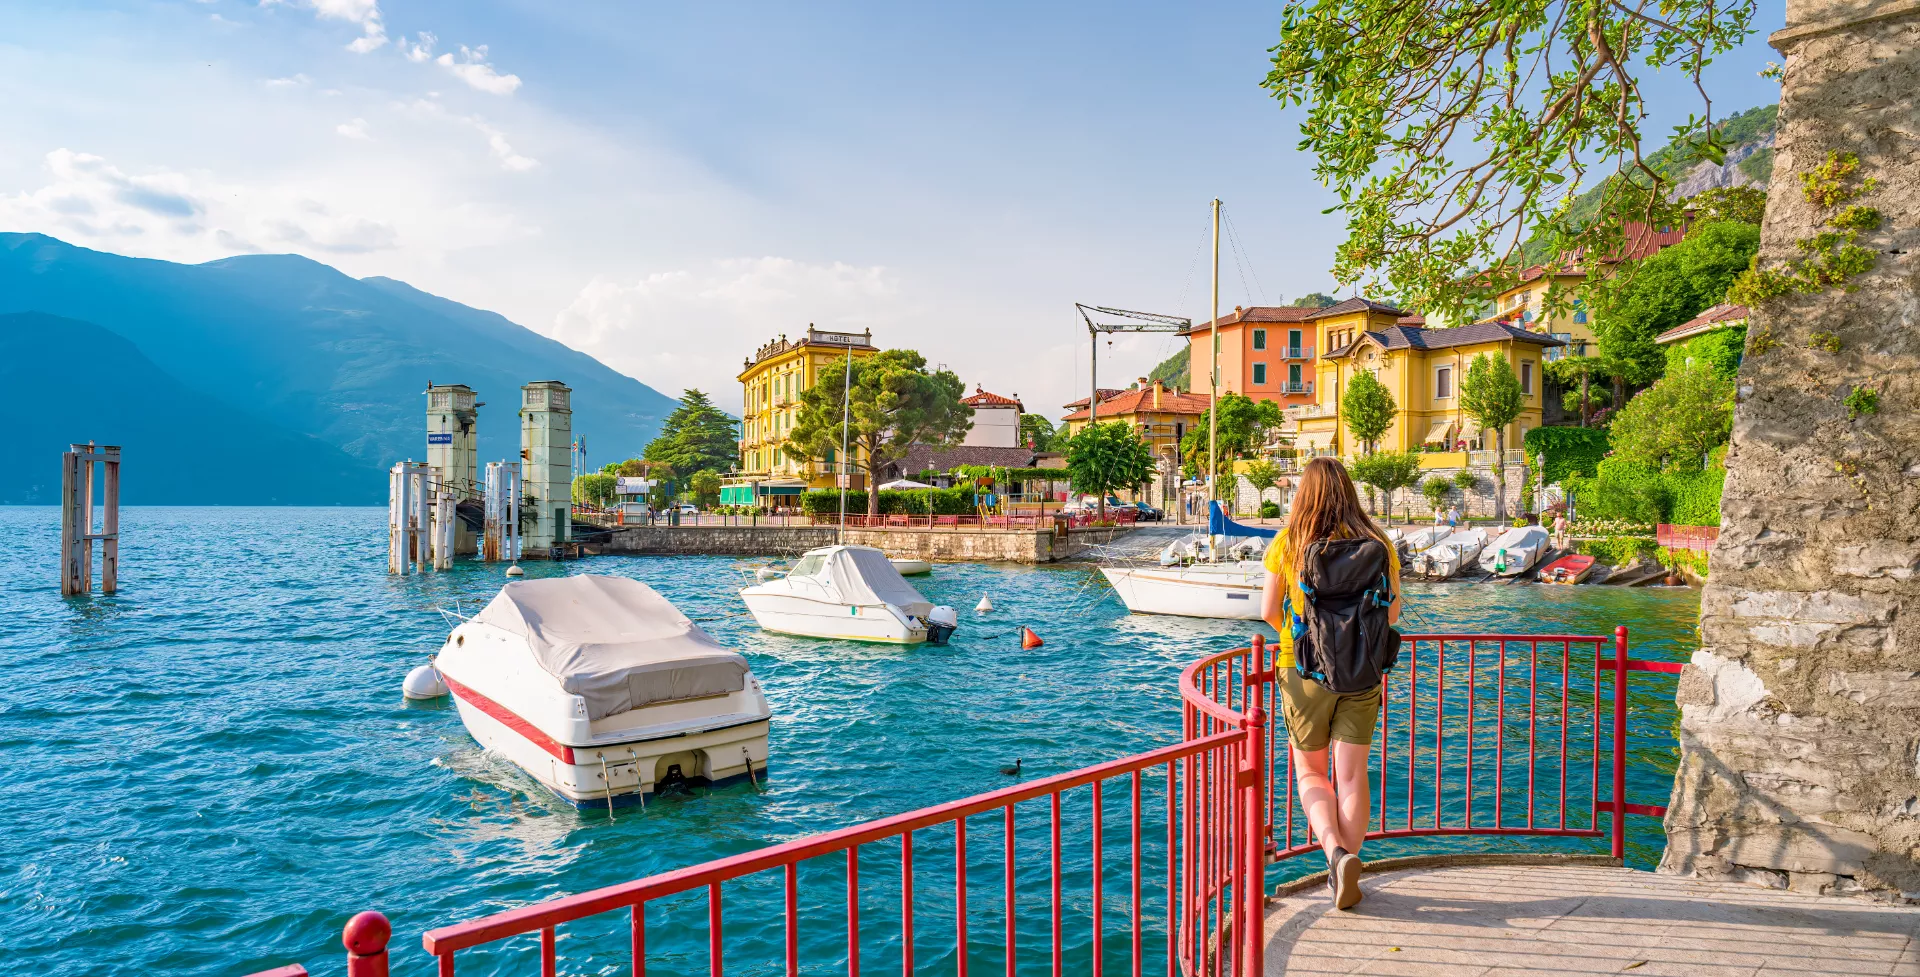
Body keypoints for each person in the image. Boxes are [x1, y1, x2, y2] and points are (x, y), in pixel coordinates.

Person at [1260, 457, 1401, 911]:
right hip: (1362, 671)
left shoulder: (1290, 542)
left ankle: (1335, 857)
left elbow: (1267, 611)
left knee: (1310, 774)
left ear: (1303, 494)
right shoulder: (1378, 543)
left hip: (1302, 671)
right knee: (1352, 776)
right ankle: (1349, 863)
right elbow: (1392, 615)